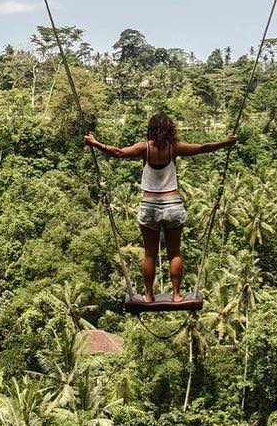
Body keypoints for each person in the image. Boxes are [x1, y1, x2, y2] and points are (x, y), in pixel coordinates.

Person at [84, 114, 236, 302]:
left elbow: (119, 152)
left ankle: (148, 295)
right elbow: (202, 148)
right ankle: (177, 294)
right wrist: (225, 143)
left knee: (150, 253)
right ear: (170, 129)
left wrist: (95, 143)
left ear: (151, 129)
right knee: (174, 252)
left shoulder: (144, 148)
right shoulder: (175, 148)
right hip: (172, 203)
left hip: (149, 205)